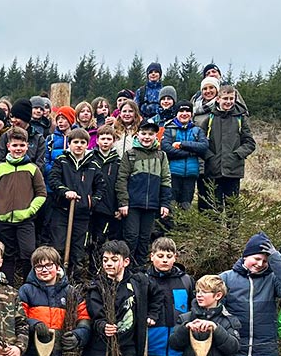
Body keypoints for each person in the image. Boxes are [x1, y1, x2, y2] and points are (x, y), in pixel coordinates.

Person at [0, 127, 47, 282]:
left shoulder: (33, 169)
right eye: (15, 145)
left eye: (21, 146)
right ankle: (7, 286)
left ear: (26, 146)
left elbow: (41, 193)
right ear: (8, 147)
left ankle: (29, 285)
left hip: (25, 220)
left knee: (28, 252)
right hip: (3, 219)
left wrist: (29, 211)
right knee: (6, 254)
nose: (18, 149)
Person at [115, 119, 172, 267]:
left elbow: (166, 180)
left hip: (152, 205)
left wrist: (165, 203)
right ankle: (126, 268)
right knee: (131, 237)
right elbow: (121, 179)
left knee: (145, 239)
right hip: (132, 205)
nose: (147, 137)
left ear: (156, 136)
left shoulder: (161, 156)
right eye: (144, 133)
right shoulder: (130, 154)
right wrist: (123, 202)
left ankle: (140, 270)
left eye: (151, 134)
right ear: (137, 134)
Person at [47, 128, 105, 272]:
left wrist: (91, 202)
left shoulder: (93, 164)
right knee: (58, 245)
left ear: (87, 145)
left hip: (82, 213)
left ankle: (75, 281)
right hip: (61, 210)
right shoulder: (62, 160)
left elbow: (101, 186)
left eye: (82, 142)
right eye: (75, 142)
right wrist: (65, 192)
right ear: (70, 144)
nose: (79, 145)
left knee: (78, 249)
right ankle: (57, 275)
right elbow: (53, 180)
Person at [195, 85, 256, 211]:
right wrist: (209, 157)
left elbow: (250, 143)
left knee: (232, 208)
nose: (228, 102)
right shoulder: (209, 119)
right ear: (218, 99)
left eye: (231, 98)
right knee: (214, 208)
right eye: (225, 98)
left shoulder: (240, 118)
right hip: (213, 170)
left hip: (233, 171)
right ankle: (215, 231)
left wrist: (237, 155)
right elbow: (200, 143)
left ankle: (232, 231)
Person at [160, 103, 209, 210]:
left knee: (186, 206)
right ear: (176, 113)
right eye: (181, 111)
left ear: (191, 114)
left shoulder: (197, 130)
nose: (184, 114)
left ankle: (184, 227)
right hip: (172, 174)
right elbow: (166, 149)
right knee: (170, 206)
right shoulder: (169, 129)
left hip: (191, 175)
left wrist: (182, 144)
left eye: (187, 111)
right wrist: (191, 152)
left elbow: (204, 146)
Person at [87, 125, 124, 254]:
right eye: (103, 139)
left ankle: (96, 269)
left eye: (109, 139)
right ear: (97, 140)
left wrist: (119, 206)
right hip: (90, 205)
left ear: (113, 141)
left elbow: (120, 185)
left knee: (100, 239)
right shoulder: (90, 158)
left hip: (108, 207)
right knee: (87, 239)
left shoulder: (118, 162)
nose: (105, 142)